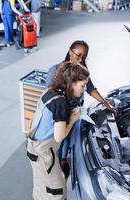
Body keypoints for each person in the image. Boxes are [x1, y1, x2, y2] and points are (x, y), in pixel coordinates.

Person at [45, 40, 117, 178]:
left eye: (84, 57)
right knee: (59, 139)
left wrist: (107, 104)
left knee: (67, 138)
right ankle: (57, 164)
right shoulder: (54, 71)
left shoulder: (81, 69)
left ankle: (64, 159)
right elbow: (49, 96)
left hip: (73, 112)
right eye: (78, 55)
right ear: (70, 51)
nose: (80, 60)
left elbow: (90, 88)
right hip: (60, 114)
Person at [27, 61, 90, 200]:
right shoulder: (60, 104)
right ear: (72, 83)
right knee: (55, 191)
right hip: (43, 152)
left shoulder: (51, 91)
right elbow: (59, 137)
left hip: (35, 147)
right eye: (82, 85)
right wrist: (73, 119)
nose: (84, 89)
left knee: (42, 184)